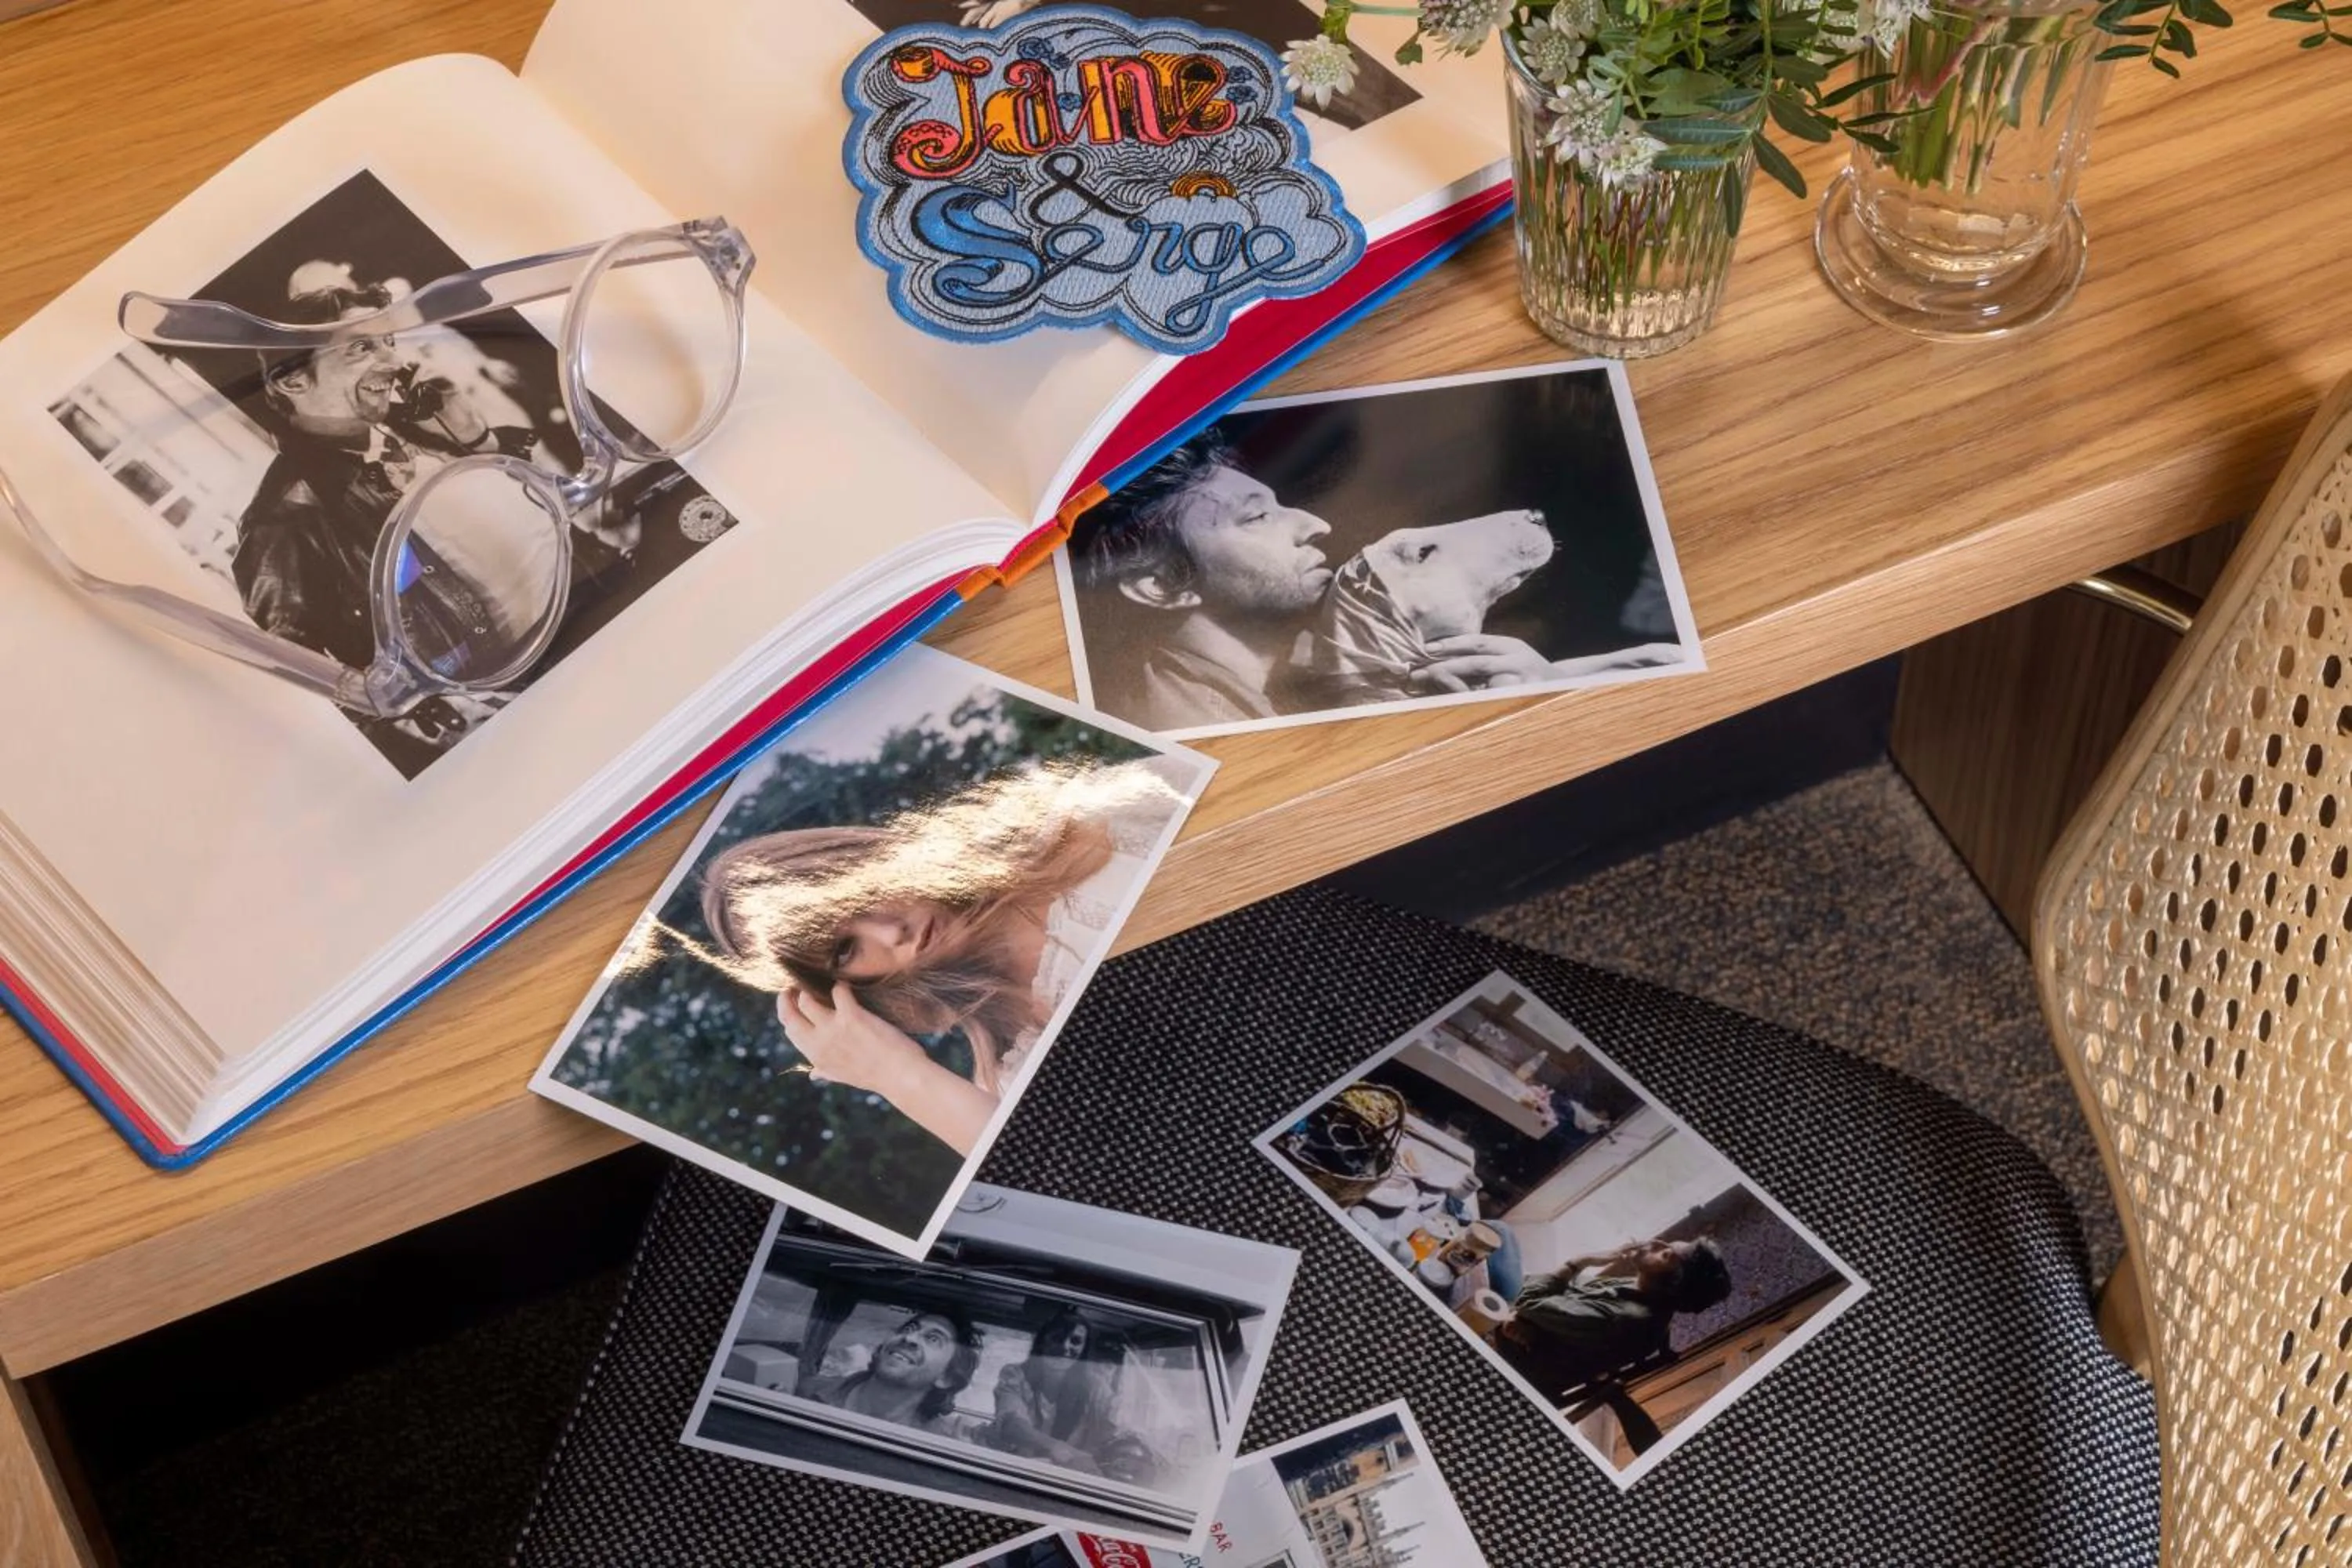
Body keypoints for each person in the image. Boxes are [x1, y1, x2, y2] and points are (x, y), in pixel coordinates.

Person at [696, 758, 1185, 1156]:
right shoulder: (1000, 1082)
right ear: (842, 993)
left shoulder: (1083, 821)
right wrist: (898, 1076)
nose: (890, 930)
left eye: (864, 897)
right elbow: (1084, 1185)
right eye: (846, 949)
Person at [1068, 434, 1572, 731]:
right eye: (1256, 519)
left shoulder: (1318, 655)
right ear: (1161, 584)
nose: (1315, 524)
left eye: (1279, 505)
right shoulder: (1196, 726)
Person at [1491, 1235, 1733, 1404]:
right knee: (1500, 1238)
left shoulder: (1623, 1319)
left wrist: (1581, 1261)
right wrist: (1537, 1322)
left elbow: (1527, 1300)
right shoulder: (1647, 1294)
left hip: (1513, 1358)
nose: (1656, 1242)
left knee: (1494, 1241)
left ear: (1673, 1284)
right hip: (1529, 1328)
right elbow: (1572, 1293)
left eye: (1665, 1253)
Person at [979, 1307, 1131, 1472]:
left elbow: (1115, 1426)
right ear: (1042, 1341)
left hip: (1070, 1478)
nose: (1065, 1347)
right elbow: (1011, 1423)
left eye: (1076, 1341)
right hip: (1016, 1469)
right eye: (1058, 1338)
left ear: (1083, 1350)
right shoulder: (1015, 1375)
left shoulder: (1096, 1387)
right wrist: (1056, 1447)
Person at [799, 1308, 982, 1435]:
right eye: (909, 1329)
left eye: (933, 1339)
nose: (910, 1338)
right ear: (881, 1349)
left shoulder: (935, 1443)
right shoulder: (804, 1392)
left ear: (947, 1377)